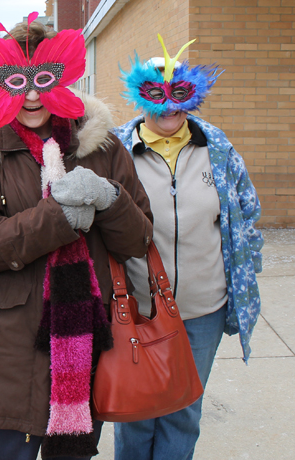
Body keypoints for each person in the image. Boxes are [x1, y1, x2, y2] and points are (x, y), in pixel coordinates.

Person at [0, 13, 153, 460]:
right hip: (6, 359)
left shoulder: (102, 147)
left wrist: (110, 198)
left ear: (66, 77)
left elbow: (137, 240)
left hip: (87, 346)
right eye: (18, 81)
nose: (34, 94)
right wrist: (58, 217)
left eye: (45, 78)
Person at [112, 34, 263, 460]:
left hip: (202, 310)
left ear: (193, 96)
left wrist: (245, 273)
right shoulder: (117, 151)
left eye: (180, 94)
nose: (169, 105)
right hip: (138, 309)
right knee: (137, 412)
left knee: (183, 412)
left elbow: (246, 218)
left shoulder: (217, 149)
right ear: (141, 96)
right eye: (157, 94)